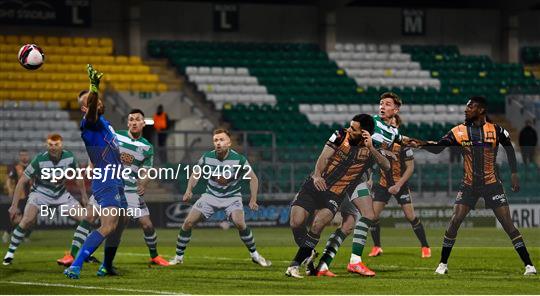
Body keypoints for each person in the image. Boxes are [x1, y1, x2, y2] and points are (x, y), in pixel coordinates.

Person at [416, 96, 536, 276]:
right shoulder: (459, 131)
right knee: (455, 221)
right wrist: (421, 144)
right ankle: (442, 264)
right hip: (468, 186)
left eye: (470, 107)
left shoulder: (496, 130)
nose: (466, 110)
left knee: (508, 225)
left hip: (492, 185)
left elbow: (510, 149)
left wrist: (514, 173)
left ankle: (529, 265)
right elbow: (439, 147)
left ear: (481, 110)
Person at [57, 109, 169, 267]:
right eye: (131, 119)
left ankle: (154, 256)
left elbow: (147, 170)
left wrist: (143, 183)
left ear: (144, 123)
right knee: (89, 217)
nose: (134, 122)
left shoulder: (147, 147)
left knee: (147, 224)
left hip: (129, 190)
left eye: (138, 119)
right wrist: (91, 165)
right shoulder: (117, 135)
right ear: (128, 123)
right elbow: (98, 148)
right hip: (108, 182)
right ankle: (72, 255)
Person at [285, 114, 390, 279]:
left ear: (364, 133)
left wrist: (370, 148)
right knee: (296, 222)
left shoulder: (373, 146)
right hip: (315, 185)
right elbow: (324, 156)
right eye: (350, 126)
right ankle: (310, 253)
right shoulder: (340, 134)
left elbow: (386, 165)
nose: (349, 129)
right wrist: (318, 175)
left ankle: (296, 265)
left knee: (320, 223)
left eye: (353, 128)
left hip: (336, 192)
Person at [168, 128, 271, 267]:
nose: (218, 143)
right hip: (210, 196)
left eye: (222, 140)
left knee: (239, 223)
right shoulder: (207, 157)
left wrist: (253, 199)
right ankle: (178, 257)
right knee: (188, 223)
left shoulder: (239, 159)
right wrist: (189, 190)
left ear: (229, 143)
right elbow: (195, 174)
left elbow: (253, 178)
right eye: (216, 140)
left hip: (232, 197)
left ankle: (255, 255)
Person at [64, 64, 127, 279]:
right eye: (92, 101)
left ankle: (106, 266)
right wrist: (94, 86)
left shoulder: (105, 124)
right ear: (85, 109)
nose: (98, 101)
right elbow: (91, 112)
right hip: (107, 180)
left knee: (119, 225)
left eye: (98, 99)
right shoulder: (89, 123)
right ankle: (76, 264)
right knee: (108, 225)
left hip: (116, 179)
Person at [3, 134, 88, 265]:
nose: (53, 147)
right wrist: (13, 205)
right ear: (46, 146)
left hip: (61, 194)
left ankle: (78, 254)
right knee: (26, 221)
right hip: (40, 194)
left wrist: (84, 196)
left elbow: (79, 178)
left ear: (62, 145)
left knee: (86, 219)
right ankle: (10, 253)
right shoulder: (39, 159)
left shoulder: (69, 157)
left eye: (56, 144)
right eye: (50, 145)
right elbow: (21, 182)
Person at [368, 115, 430, 258]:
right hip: (383, 184)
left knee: (410, 216)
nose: (391, 125)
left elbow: (410, 168)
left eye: (393, 124)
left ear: (397, 127)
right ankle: (377, 247)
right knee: (373, 216)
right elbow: (372, 161)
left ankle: (425, 246)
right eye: (389, 123)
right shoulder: (380, 142)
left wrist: (398, 185)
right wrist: (370, 178)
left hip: (400, 184)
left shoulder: (403, 145)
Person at [3, 150, 31, 243]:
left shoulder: (31, 167)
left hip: (30, 197)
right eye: (22, 155)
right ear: (20, 157)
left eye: (25, 155)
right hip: (19, 197)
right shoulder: (16, 168)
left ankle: (24, 236)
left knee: (30, 218)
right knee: (16, 218)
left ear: (28, 156)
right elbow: (9, 179)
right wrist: (10, 189)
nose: (24, 157)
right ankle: (7, 233)